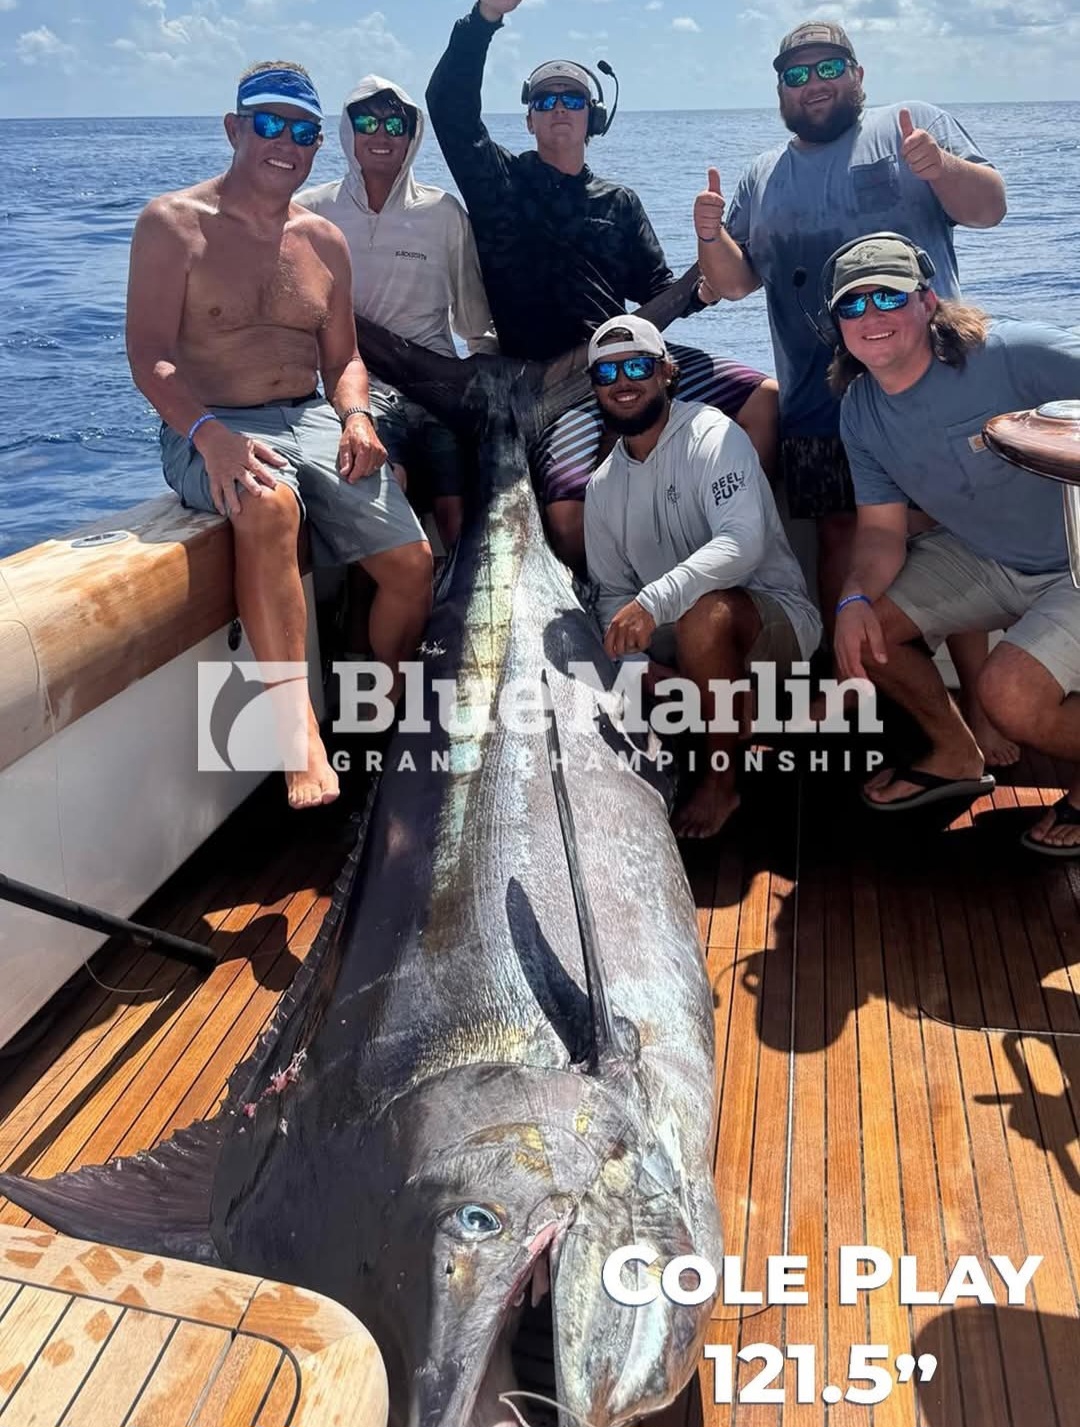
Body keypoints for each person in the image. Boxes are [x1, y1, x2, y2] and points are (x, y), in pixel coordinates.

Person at [692, 19, 1011, 757]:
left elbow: (990, 208)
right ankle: (857, 694)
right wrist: (711, 235)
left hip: (930, 391)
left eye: (828, 67)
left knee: (951, 536)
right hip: (816, 401)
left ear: (857, 75)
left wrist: (940, 168)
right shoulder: (762, 174)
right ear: (779, 89)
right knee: (840, 534)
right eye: (796, 74)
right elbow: (733, 283)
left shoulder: (912, 125)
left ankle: (984, 712)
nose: (814, 84)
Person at [126, 61, 433, 809]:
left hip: (312, 417)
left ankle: (382, 705)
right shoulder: (172, 224)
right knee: (267, 506)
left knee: (412, 565)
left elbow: (344, 360)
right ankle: (298, 738)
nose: (286, 144)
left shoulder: (324, 240)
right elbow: (149, 357)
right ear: (234, 129)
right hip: (211, 422)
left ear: (318, 145)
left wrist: (356, 415)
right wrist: (208, 435)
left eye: (303, 133)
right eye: (269, 125)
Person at [427, 0, 778, 568]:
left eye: (572, 100)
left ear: (593, 118)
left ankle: (741, 555)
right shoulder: (498, 185)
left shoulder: (620, 203)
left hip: (627, 359)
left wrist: (707, 274)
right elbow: (448, 108)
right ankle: (606, 602)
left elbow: (660, 291)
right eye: (545, 101)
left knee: (764, 399)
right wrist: (484, 18)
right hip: (547, 385)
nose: (558, 109)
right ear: (529, 121)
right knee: (569, 516)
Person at [827, 234, 1080, 856]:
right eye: (852, 304)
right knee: (865, 633)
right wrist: (853, 598)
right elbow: (881, 533)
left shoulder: (1014, 353)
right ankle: (955, 752)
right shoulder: (859, 410)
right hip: (985, 556)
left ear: (928, 301)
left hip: (1075, 563)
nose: (870, 315)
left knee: (1010, 695)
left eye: (889, 297)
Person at [584, 316, 821, 839]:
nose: (622, 383)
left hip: (772, 620)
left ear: (666, 372)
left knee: (702, 616)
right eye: (606, 373)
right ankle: (737, 707)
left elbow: (742, 544)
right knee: (604, 657)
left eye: (637, 367)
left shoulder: (713, 434)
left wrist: (653, 602)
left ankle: (721, 782)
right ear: (595, 387)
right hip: (674, 645)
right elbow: (611, 594)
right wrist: (642, 668)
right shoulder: (601, 487)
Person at [296, 76, 497, 551]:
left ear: (412, 134)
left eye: (395, 124)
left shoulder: (443, 213)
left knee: (456, 509)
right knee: (384, 491)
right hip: (360, 393)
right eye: (367, 123)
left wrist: (491, 389)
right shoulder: (308, 212)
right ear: (348, 131)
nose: (381, 135)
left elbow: (476, 325)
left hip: (438, 389)